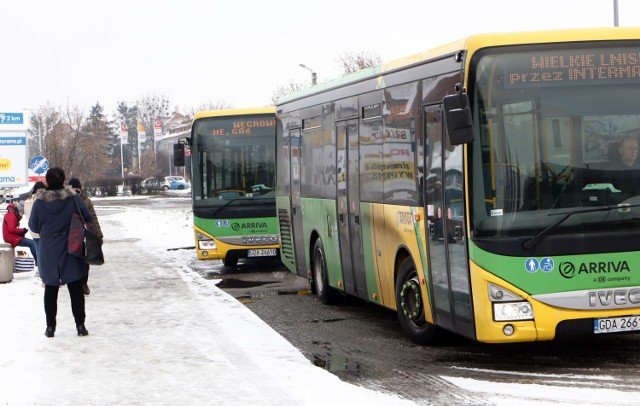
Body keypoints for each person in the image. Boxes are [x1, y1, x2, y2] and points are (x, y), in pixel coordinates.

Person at [28, 167, 93, 338]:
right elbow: (87, 217)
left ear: (47, 182)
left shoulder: (39, 202)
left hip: (48, 248)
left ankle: (50, 327)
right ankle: (80, 325)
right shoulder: (73, 198)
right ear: (64, 180)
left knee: (51, 287)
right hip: (71, 245)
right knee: (75, 287)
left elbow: (33, 226)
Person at [68, 178, 102, 295]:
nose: (75, 191)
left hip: (84, 234)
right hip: (71, 236)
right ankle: (75, 283)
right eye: (73, 189)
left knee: (85, 261)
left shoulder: (86, 201)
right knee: (73, 260)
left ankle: (84, 283)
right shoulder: (67, 200)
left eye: (77, 189)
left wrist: (98, 234)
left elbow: (93, 218)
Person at [22, 181, 47, 276]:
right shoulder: (41, 200)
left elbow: (27, 215)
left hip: (33, 230)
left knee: (39, 253)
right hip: (43, 231)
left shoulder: (27, 201)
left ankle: (41, 273)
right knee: (46, 255)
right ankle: (46, 274)